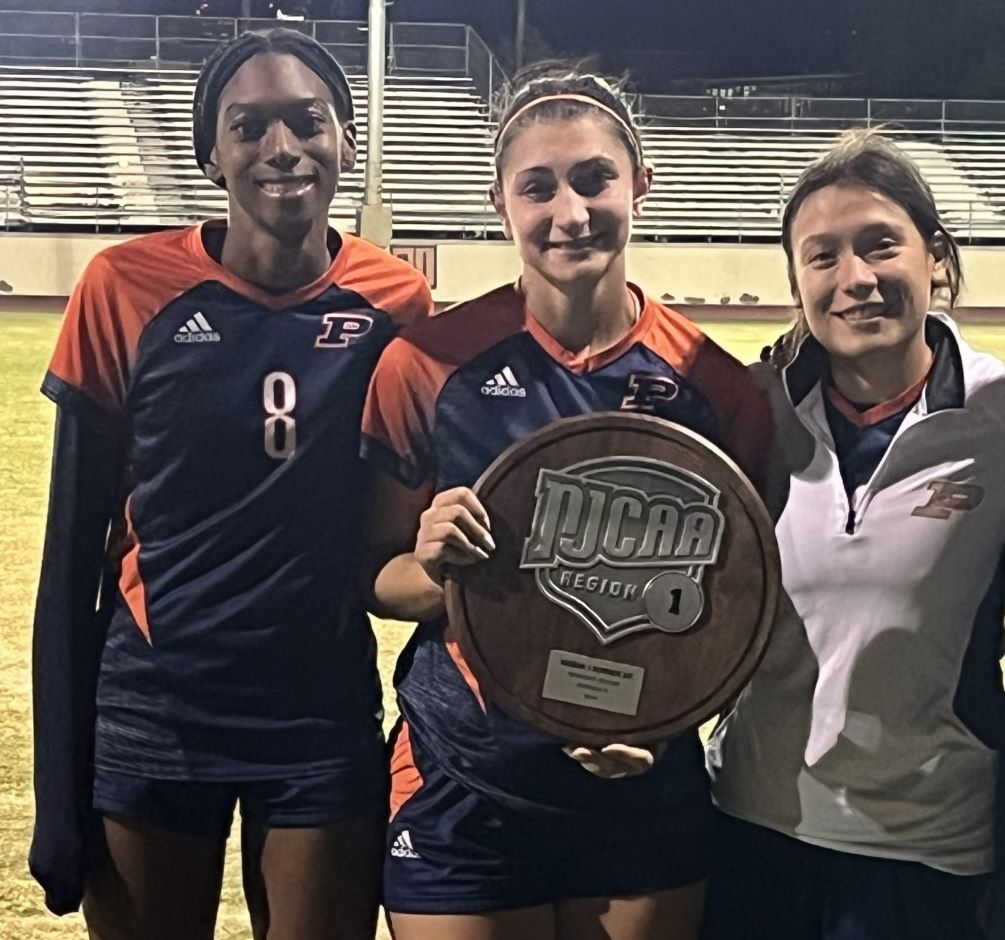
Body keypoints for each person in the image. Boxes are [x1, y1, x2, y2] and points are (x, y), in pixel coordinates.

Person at [29, 28, 431, 940]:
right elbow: (67, 562)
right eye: (249, 127)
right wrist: (59, 790)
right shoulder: (123, 287)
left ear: (346, 141)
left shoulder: (398, 305)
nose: (281, 149)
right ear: (212, 153)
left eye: (308, 122)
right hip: (153, 707)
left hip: (316, 715)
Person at [359, 66, 775, 940]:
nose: (569, 212)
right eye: (537, 187)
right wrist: (439, 569)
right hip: (464, 777)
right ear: (500, 203)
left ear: (640, 185)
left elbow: (736, 610)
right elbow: (377, 580)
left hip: (643, 787)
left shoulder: (712, 386)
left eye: (594, 179)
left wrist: (665, 730)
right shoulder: (427, 363)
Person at [703, 130, 1005, 940]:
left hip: (927, 855)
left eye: (879, 246)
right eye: (822, 257)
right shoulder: (750, 415)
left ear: (935, 256)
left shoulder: (997, 418)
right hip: (748, 830)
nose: (855, 280)